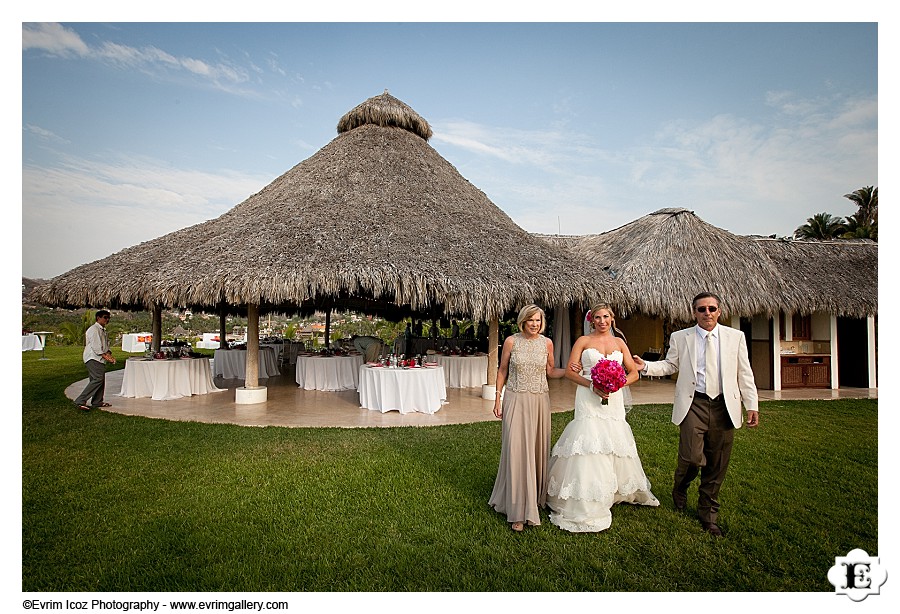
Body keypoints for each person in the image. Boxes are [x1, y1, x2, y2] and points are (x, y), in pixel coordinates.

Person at [632, 292, 759, 537]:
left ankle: (708, 515)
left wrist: (751, 404)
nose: (707, 313)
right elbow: (671, 365)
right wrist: (646, 366)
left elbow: (745, 373)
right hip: (693, 405)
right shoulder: (682, 337)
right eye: (702, 309)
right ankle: (680, 487)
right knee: (691, 457)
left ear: (719, 311)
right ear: (694, 313)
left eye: (712, 308)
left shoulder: (736, 337)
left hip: (724, 407)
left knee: (717, 463)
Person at [546, 303, 659, 532]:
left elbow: (634, 372)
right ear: (592, 320)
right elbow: (569, 371)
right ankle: (586, 496)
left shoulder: (620, 343)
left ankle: (615, 489)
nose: (602, 321)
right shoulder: (583, 341)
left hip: (613, 399)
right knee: (590, 441)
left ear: (612, 318)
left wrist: (617, 384)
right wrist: (591, 385)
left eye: (606, 316)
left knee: (612, 439)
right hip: (588, 397)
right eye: (597, 317)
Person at [489, 304, 566, 532]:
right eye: (531, 320)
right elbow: (502, 370)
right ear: (523, 321)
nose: (535, 324)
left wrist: (573, 372)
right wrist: (497, 398)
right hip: (515, 399)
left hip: (539, 401)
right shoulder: (512, 341)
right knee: (516, 450)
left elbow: (551, 372)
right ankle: (517, 510)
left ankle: (535, 499)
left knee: (535, 449)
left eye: (538, 321)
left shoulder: (547, 343)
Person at [74, 310, 116, 411]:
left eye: (108, 318)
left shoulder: (102, 330)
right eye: (105, 317)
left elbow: (103, 345)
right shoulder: (94, 329)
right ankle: (80, 400)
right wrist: (107, 357)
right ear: (98, 318)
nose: (107, 320)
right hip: (93, 357)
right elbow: (96, 346)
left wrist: (108, 353)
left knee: (99, 380)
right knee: (97, 379)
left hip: (99, 358)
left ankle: (97, 401)